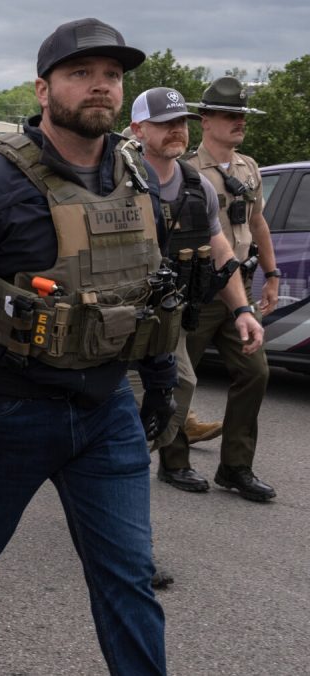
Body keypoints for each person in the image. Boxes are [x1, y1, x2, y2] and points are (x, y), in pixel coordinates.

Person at [0, 18, 177, 674]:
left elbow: (149, 288)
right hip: (9, 413)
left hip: (106, 411)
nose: (100, 86)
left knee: (128, 575)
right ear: (43, 88)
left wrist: (161, 379)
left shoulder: (135, 180)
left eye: (112, 75)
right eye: (80, 73)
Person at [127, 86, 264, 490]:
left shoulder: (196, 185)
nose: (176, 130)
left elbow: (221, 251)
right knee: (123, 403)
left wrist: (243, 311)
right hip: (120, 318)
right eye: (164, 123)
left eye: (180, 123)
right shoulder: (119, 180)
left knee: (181, 385)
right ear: (138, 129)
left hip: (170, 315)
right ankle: (117, 470)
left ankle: (133, 459)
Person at [156, 77, 278, 501]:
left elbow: (257, 223)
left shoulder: (248, 167)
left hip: (238, 288)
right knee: (178, 377)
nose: (239, 122)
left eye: (242, 115)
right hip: (198, 287)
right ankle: (174, 461)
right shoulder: (187, 170)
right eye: (230, 115)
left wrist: (272, 273)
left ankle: (236, 466)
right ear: (205, 120)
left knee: (255, 372)